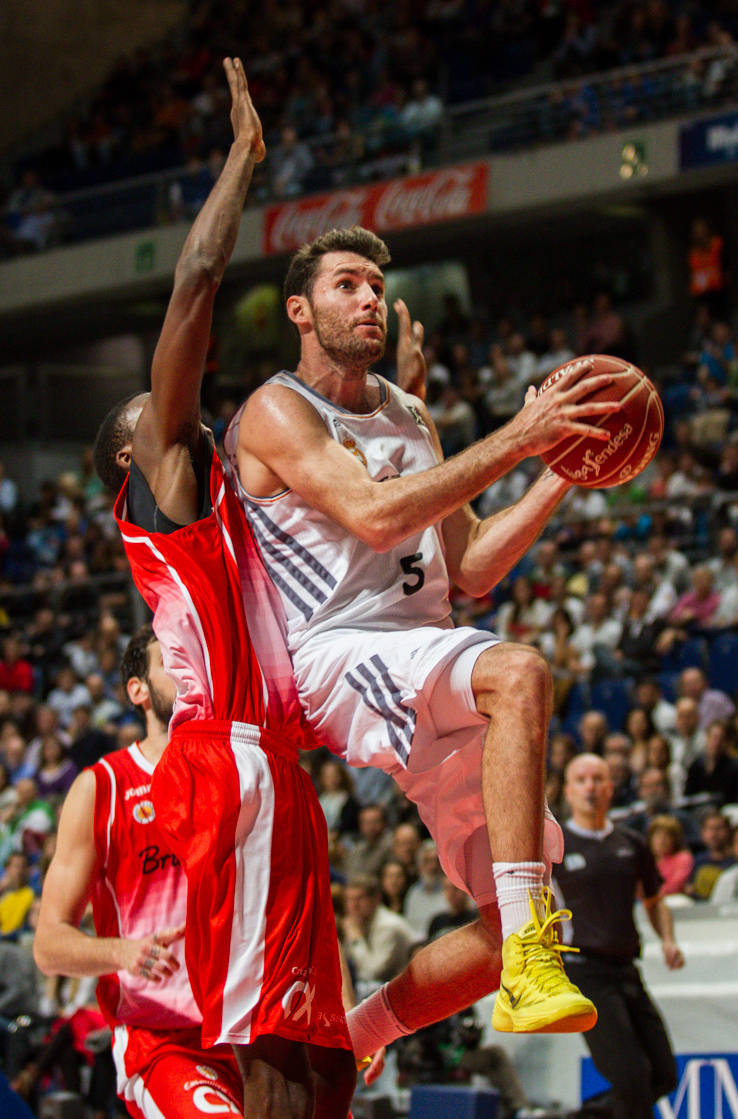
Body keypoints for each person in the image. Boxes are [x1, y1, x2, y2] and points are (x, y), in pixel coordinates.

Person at [226, 224, 619, 1051]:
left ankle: (357, 1034)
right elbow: (374, 517)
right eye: (346, 285)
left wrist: (561, 469)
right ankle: (534, 963)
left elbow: (469, 564)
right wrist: (521, 434)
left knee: (509, 918)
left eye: (375, 284)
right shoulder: (277, 409)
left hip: (426, 653)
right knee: (519, 671)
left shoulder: (409, 413)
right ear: (299, 309)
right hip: (340, 652)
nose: (368, 297)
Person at [91, 60, 355, 1119]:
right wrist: (243, 165)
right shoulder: (168, 488)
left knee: (323, 1066)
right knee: (279, 1063)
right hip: (228, 764)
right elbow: (194, 286)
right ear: (134, 460)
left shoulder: (228, 497)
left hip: (273, 765)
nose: (171, 410)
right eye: (148, 414)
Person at [33, 627, 245, 1119]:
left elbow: (296, 901)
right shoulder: (101, 787)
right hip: (167, 1041)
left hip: (257, 1032)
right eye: (170, 659)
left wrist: (342, 1016)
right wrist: (123, 952)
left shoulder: (237, 771)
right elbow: (48, 946)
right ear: (138, 691)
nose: (188, 666)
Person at [554, 755, 682, 1119]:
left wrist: (668, 940)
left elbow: (655, 900)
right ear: (568, 790)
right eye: (580, 779)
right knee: (631, 1078)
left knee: (663, 1075)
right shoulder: (554, 848)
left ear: (610, 788)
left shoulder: (632, 843)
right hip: (583, 972)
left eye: (597, 779)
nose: (590, 786)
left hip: (627, 968)